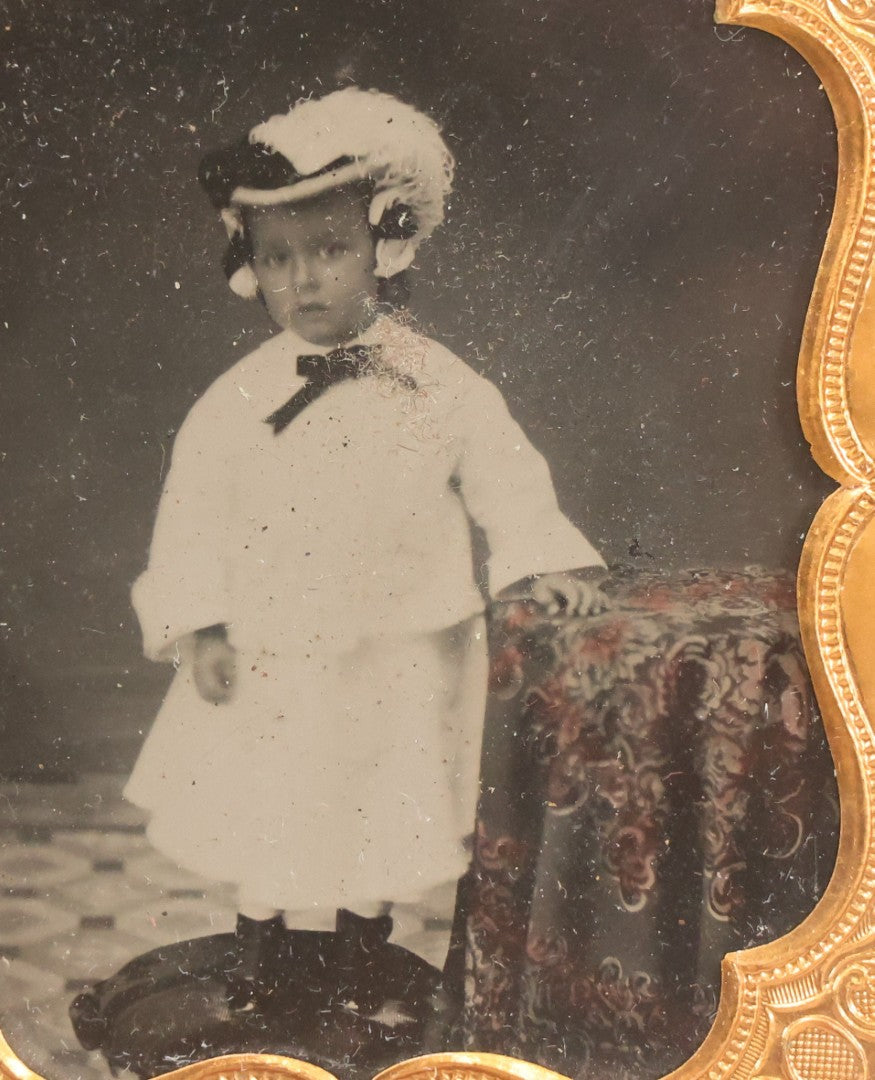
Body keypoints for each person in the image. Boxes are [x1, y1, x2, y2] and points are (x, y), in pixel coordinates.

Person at [125, 87, 605, 1011]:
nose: (304, 281)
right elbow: (188, 514)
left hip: (398, 649)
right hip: (276, 653)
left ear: (385, 247)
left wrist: (539, 559)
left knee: (378, 800)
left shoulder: (438, 385)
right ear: (249, 269)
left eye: (330, 250)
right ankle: (260, 951)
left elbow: (502, 472)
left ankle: (357, 955)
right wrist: (204, 627)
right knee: (270, 795)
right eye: (278, 259)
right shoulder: (230, 401)